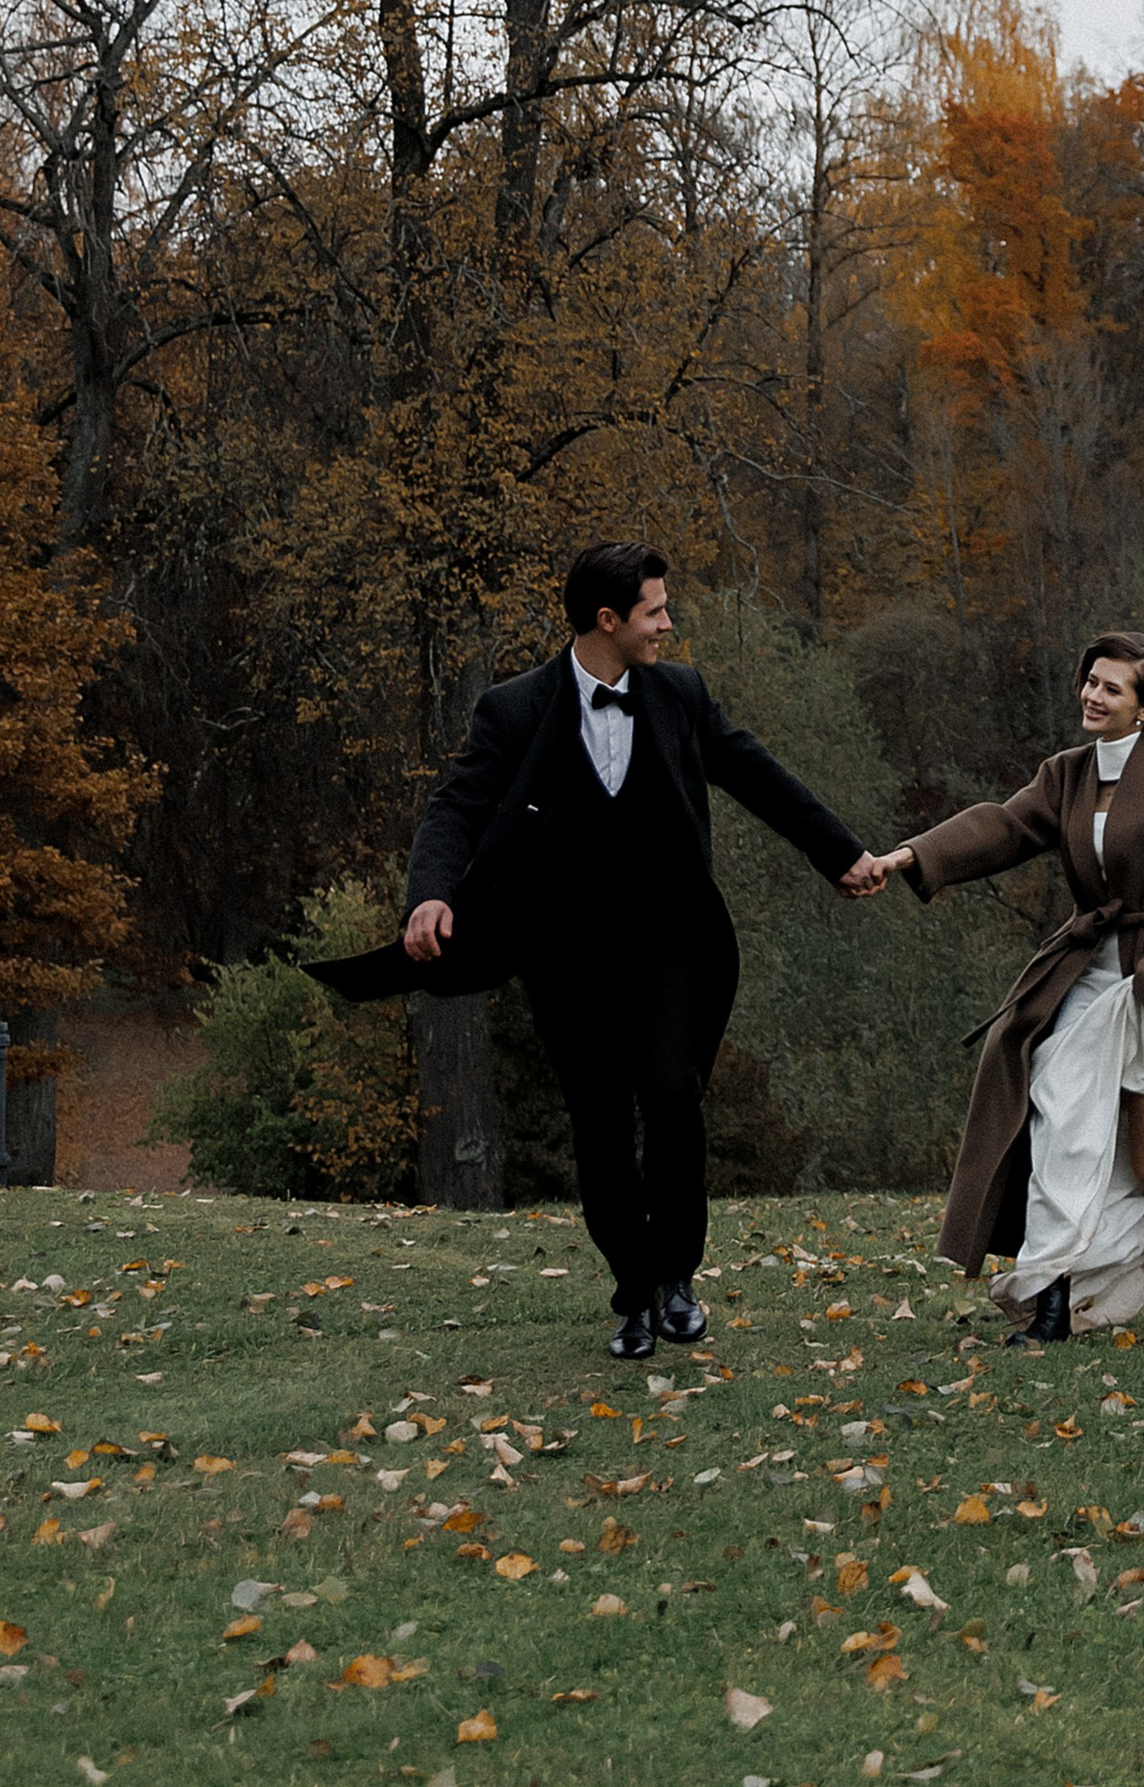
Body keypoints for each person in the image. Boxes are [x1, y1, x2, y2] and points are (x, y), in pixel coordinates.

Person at [312, 542, 871, 1359]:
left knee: (672, 1095)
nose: (668, 623)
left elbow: (756, 773)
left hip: (670, 942)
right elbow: (455, 807)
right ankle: (633, 1294)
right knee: (601, 1122)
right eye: (655, 610)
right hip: (564, 952)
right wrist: (429, 894)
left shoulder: (679, 694)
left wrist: (840, 853)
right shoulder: (512, 709)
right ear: (607, 621)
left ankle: (677, 1277)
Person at [842, 629, 1144, 1339]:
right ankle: (1050, 1295)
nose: (1092, 696)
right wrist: (910, 855)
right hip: (1088, 982)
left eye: (1110, 688)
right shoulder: (1067, 774)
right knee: (1062, 1119)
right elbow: (1002, 827)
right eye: (1089, 682)